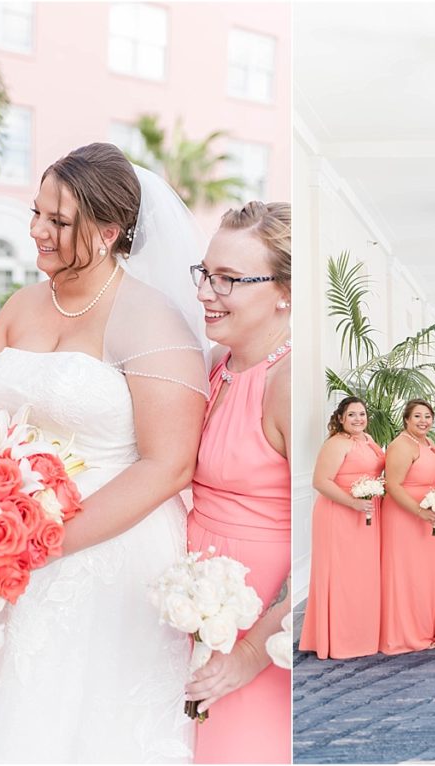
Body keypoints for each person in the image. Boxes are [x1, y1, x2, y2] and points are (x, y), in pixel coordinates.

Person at [0, 144, 208, 762]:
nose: (37, 231)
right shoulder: (20, 305)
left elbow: (168, 465)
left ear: (109, 231)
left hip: (107, 548)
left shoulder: (152, 320)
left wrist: (46, 540)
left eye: (58, 222)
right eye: (35, 213)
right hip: (3, 545)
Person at [186, 202, 291, 764]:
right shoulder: (218, 360)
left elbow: (324, 542)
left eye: (227, 279)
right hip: (193, 606)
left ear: (286, 291)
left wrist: (252, 653)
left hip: (258, 624)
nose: (206, 291)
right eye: (205, 273)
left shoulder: (287, 383)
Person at [299, 397, 384, 659]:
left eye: (362, 413)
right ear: (340, 419)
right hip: (339, 514)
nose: (359, 419)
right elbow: (320, 481)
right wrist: (353, 503)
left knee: (362, 576)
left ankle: (362, 633)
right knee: (342, 576)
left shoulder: (367, 440)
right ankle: (339, 639)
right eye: (352, 415)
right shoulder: (336, 444)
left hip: (366, 513)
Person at [378, 399, 435, 654]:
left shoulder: (428, 443)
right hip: (405, 518)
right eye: (417, 416)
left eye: (427, 416)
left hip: (428, 516)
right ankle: (404, 634)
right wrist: (419, 511)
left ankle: (424, 628)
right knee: (406, 576)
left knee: (424, 577)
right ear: (406, 419)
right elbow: (393, 485)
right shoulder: (401, 445)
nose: (423, 421)